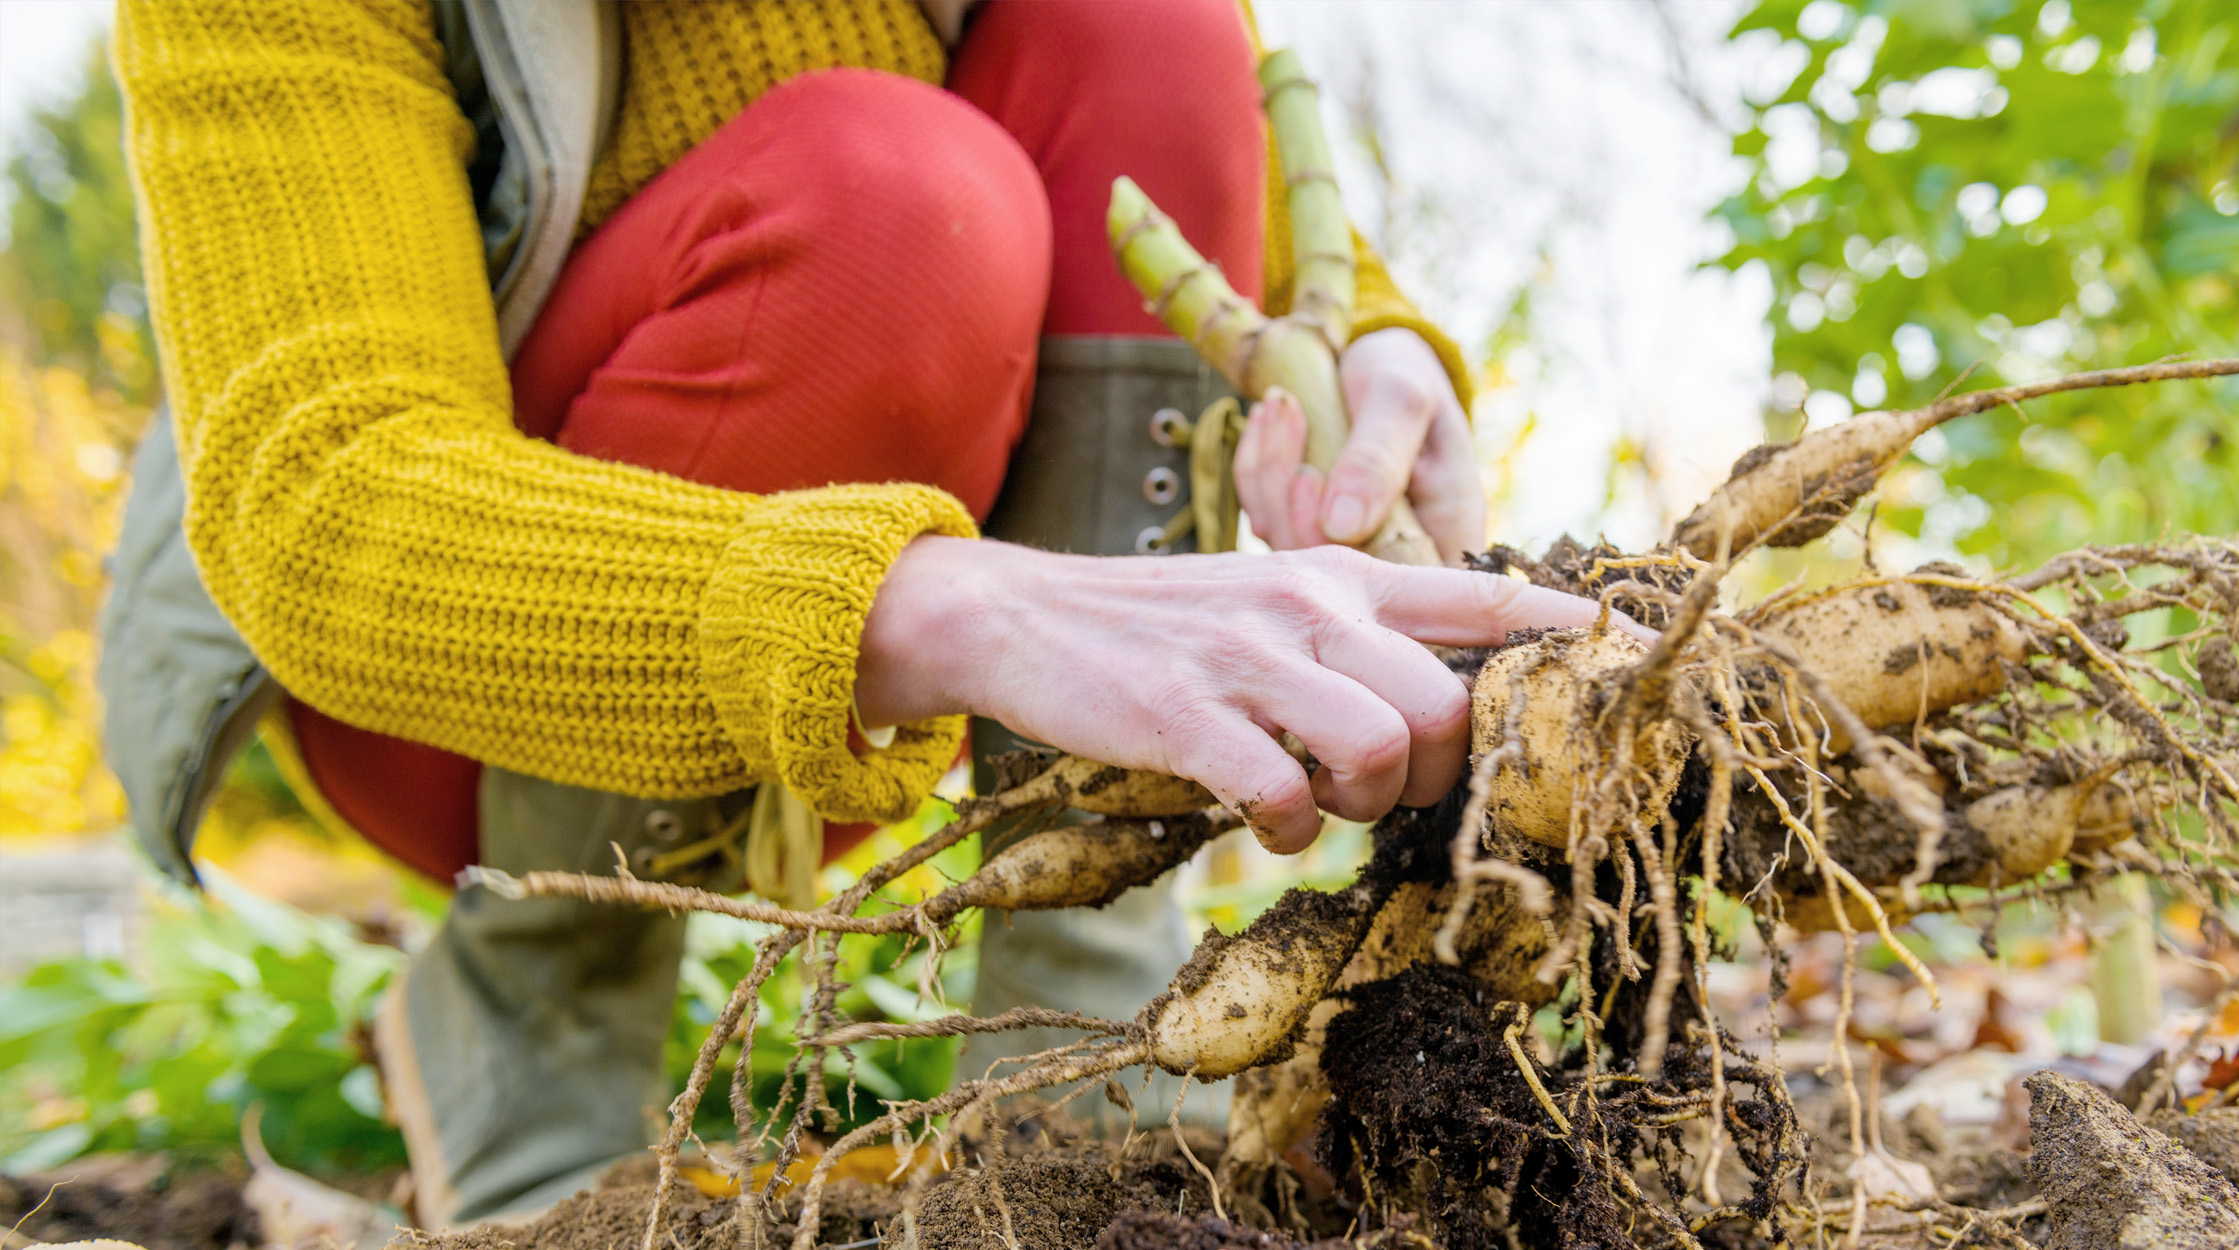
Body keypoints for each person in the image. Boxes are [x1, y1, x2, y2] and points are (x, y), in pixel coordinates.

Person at [101, 0, 1610, 1230]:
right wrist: (963, 605)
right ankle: (535, 1007)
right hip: (430, 687)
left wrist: (1367, 350)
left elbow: (1187, 139)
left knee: (1151, 25)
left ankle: (1091, 1059)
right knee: (887, 202)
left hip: (857, 696)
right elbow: (321, 504)